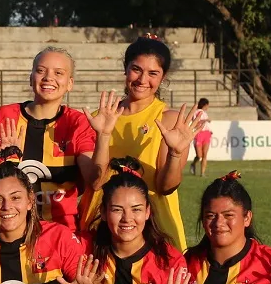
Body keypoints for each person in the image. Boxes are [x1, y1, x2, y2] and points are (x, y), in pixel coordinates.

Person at [83, 36, 204, 249]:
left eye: (153, 73)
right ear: (125, 69)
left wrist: (176, 153)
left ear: (163, 77)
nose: (142, 79)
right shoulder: (100, 117)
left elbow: (165, 187)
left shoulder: (169, 120)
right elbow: (96, 183)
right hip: (102, 224)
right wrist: (103, 136)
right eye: (136, 69)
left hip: (153, 227)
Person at [0, 48, 106, 233]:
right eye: (41, 71)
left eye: (58, 73)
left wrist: (104, 135)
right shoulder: (4, 117)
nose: (48, 77)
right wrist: (5, 162)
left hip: (61, 233)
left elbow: (95, 182)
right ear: (31, 78)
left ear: (70, 83)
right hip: (8, 233)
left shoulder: (77, 123)